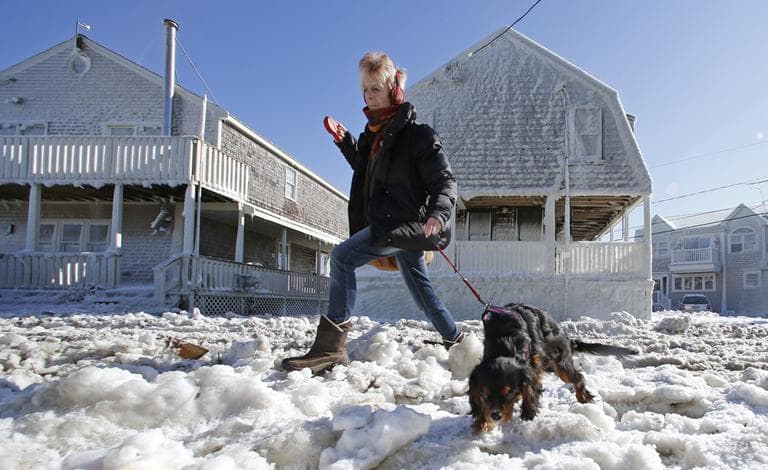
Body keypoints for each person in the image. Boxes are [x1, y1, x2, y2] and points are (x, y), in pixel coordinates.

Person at [282, 51, 463, 374]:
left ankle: (330, 348)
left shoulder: (417, 135)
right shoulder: (374, 135)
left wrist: (438, 213)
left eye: (375, 88)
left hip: (403, 225)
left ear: (394, 90)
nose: (368, 96)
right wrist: (346, 143)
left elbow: (444, 181)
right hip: (392, 223)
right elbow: (367, 173)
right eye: (365, 89)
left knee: (342, 257)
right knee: (422, 291)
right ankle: (458, 340)